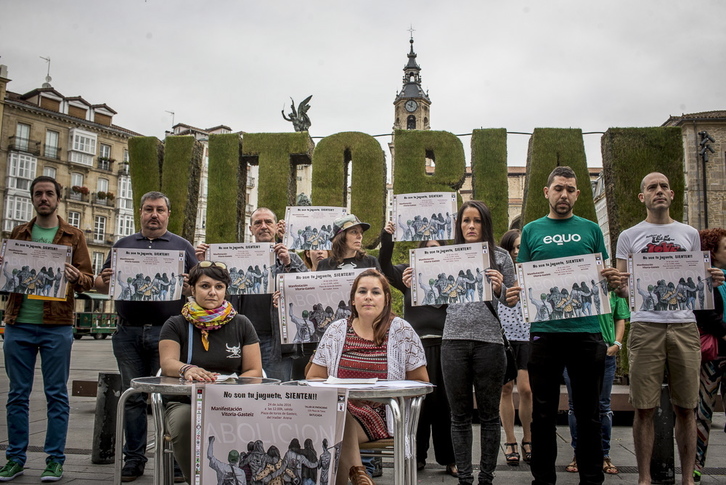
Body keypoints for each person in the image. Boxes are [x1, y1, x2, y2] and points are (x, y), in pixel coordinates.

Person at [615, 172, 724, 485]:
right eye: (651, 187)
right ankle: (644, 479)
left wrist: (711, 280)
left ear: (672, 194)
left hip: (684, 326)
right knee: (644, 408)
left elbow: (698, 278)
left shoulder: (689, 234)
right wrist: (621, 286)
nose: (658, 191)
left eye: (663, 186)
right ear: (642, 197)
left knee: (687, 407)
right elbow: (624, 292)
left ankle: (688, 479)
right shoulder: (628, 236)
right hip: (645, 325)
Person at [517, 166, 621, 485]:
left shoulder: (591, 230)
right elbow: (523, 279)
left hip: (587, 334)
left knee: (589, 413)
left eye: (570, 189)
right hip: (545, 335)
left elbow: (603, 276)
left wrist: (612, 278)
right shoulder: (532, 231)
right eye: (559, 188)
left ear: (577, 194)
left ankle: (592, 478)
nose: (564, 194)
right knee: (542, 415)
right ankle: (543, 479)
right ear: (546, 192)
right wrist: (513, 292)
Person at [94, 191, 197, 482]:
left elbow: (199, 285)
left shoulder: (182, 245)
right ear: (140, 212)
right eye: (149, 209)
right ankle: (134, 460)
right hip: (127, 331)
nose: (154, 214)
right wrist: (106, 280)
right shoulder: (123, 245)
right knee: (134, 397)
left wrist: (190, 287)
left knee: (170, 398)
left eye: (160, 210)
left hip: (169, 332)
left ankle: (177, 462)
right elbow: (102, 285)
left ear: (168, 214)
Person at [0, 176, 93, 483]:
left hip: (57, 325)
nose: (44, 198)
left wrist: (76, 275)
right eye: (38, 193)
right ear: (32, 199)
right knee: (17, 394)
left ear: (58, 198)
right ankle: (15, 458)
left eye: (49, 193)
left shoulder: (73, 235)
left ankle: (55, 460)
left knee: (56, 394)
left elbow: (90, 280)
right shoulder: (18, 233)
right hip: (18, 323)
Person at [306, 269, 428, 485]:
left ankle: (358, 474)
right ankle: (360, 475)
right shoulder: (336, 331)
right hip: (342, 409)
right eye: (362, 291)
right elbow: (314, 378)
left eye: (375, 292)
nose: (368, 297)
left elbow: (421, 382)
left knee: (336, 419)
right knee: (338, 412)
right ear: (353, 300)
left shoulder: (402, 331)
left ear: (386, 299)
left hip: (385, 413)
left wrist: (385, 394)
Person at [158, 261, 262, 481]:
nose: (213, 292)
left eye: (219, 286)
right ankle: (195, 480)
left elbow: (254, 370)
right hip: (187, 402)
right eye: (205, 286)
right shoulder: (175, 324)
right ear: (192, 289)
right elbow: (167, 363)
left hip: (234, 402)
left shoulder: (242, 324)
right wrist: (187, 369)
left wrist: (231, 387)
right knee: (186, 424)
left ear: (226, 290)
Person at [440, 200, 516, 485]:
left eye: (477, 221)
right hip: (453, 342)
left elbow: (513, 300)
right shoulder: (447, 256)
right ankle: (465, 478)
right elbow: (434, 296)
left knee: (489, 415)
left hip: (490, 344)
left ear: (486, 224)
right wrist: (414, 283)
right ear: (459, 225)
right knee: (459, 416)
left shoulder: (501, 257)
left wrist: (501, 288)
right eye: (465, 221)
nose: (471, 226)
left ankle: (486, 477)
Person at [378, 221, 457, 476]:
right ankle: (418, 456)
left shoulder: (452, 276)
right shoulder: (408, 273)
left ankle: (451, 458)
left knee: (445, 405)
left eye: (436, 249)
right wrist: (387, 237)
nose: (431, 253)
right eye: (427, 249)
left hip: (445, 344)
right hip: (417, 348)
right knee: (418, 405)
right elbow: (385, 268)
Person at [196, 207, 308, 381]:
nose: (263, 226)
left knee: (275, 394)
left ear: (275, 226)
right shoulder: (233, 258)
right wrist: (204, 263)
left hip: (276, 340)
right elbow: (215, 291)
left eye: (268, 222)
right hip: (240, 336)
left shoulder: (290, 257)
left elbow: (308, 288)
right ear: (251, 229)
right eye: (258, 223)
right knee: (243, 392)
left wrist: (288, 263)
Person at [563, 286, 629, 475]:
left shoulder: (613, 290)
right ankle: (578, 453)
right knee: (575, 405)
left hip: (606, 352)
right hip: (576, 350)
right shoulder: (575, 288)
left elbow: (620, 318)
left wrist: (616, 344)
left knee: (603, 405)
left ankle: (604, 454)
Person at [497, 229, 533, 467]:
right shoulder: (500, 272)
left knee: (527, 389)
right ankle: (510, 440)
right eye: (513, 247)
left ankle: (528, 438)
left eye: (521, 247)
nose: (517, 251)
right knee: (506, 389)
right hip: (504, 336)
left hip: (529, 335)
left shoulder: (533, 271)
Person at [693, 228, 726, 483]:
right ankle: (696, 465)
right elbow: (704, 311)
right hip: (715, 354)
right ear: (713, 253)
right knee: (703, 411)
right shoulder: (707, 278)